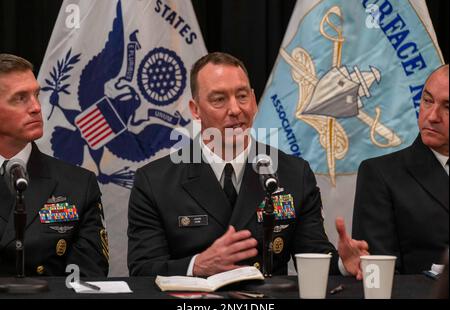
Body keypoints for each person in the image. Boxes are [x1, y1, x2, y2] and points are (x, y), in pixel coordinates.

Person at [128, 52, 368, 278]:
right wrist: (198, 265)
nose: (235, 109)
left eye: (242, 96)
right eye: (219, 99)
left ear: (253, 101)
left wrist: (342, 264)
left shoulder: (294, 173)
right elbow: (143, 269)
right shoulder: (155, 181)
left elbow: (312, 255)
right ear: (195, 110)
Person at [0, 53, 108, 277]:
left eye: (36, 95)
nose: (36, 107)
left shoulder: (78, 184)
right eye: (20, 98)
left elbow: (88, 275)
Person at [352, 65, 449, 274]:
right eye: (427, 100)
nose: (432, 116)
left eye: (448, 106)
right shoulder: (380, 175)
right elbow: (377, 276)